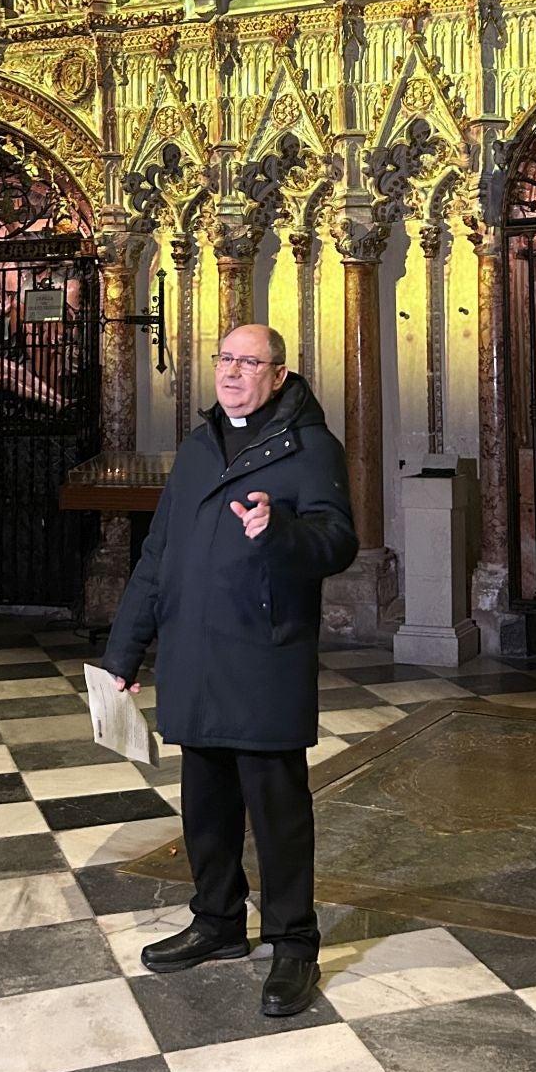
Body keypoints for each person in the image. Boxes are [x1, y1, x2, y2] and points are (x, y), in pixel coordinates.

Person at [101, 322, 356, 1018]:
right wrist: (125, 651)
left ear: (279, 375)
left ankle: (293, 944)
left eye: (250, 362)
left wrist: (279, 528)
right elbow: (158, 554)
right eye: (225, 359)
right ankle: (217, 921)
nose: (233, 372)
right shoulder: (197, 446)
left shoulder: (310, 449)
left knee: (277, 809)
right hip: (194, 650)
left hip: (263, 650)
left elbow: (338, 542)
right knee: (206, 803)